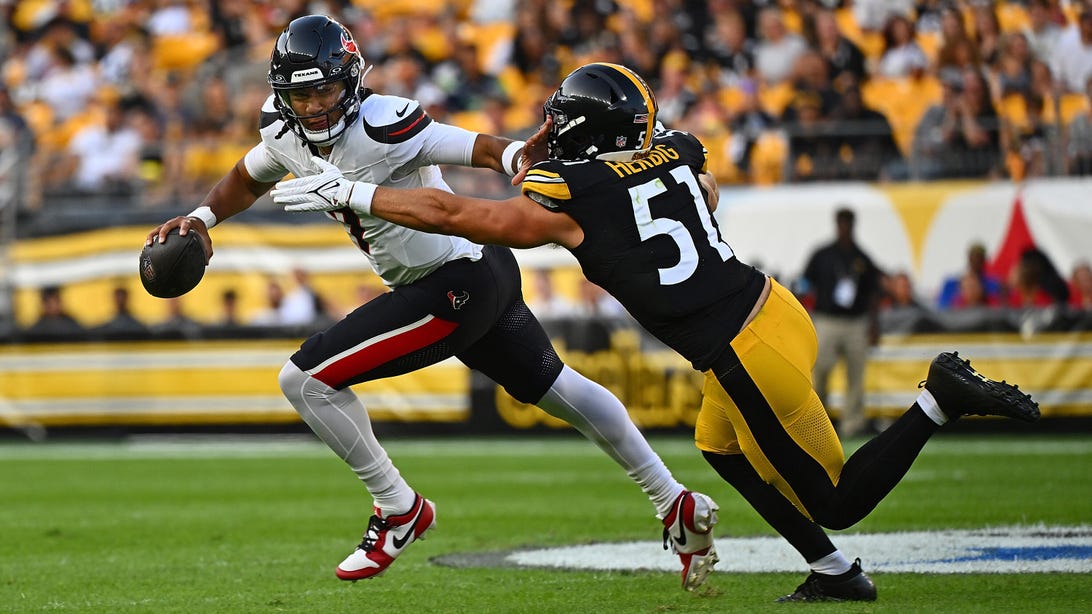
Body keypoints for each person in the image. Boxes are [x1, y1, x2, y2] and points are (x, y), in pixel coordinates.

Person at [274, 62, 1041, 602]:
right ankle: (836, 573)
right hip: (769, 306)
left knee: (834, 496)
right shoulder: (677, 149)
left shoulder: (575, 197)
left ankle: (938, 399)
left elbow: (460, 214)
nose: (548, 131)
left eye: (559, 122)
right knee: (718, 451)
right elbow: (695, 176)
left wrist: (359, 192)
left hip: (744, 348)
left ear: (580, 133)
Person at [146, 17, 718, 591]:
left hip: (456, 281)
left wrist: (520, 153)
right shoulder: (283, 133)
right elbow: (248, 176)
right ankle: (676, 502)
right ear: (283, 94)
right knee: (559, 388)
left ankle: (398, 507)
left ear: (351, 80)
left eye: (325, 89)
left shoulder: (386, 123)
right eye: (302, 93)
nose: (316, 106)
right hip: (473, 273)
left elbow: (482, 148)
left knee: (306, 380)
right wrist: (200, 218)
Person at [802, 208, 884, 439]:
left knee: (856, 375)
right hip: (827, 320)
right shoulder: (823, 255)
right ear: (836, 224)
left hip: (856, 322)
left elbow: (874, 293)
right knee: (820, 372)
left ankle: (852, 424)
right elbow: (805, 284)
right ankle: (815, 422)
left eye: (848, 223)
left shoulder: (862, 257)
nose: (844, 228)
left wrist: (874, 325)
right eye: (841, 223)